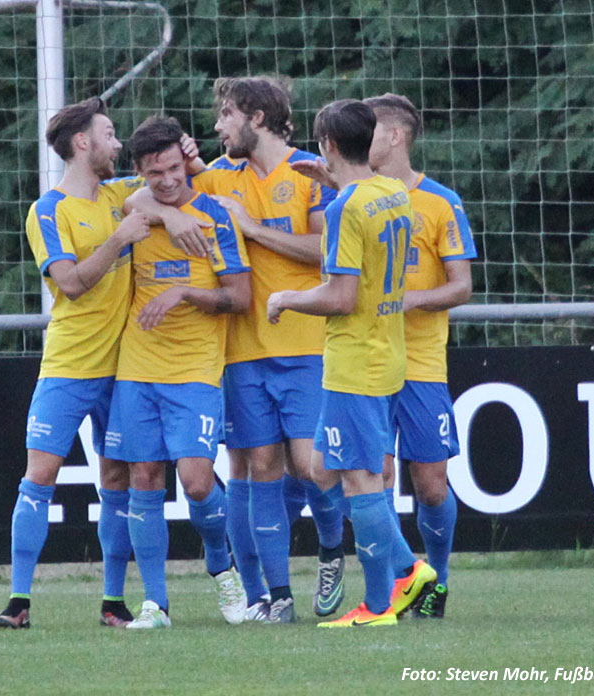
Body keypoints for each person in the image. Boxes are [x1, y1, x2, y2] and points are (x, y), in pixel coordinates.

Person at [129, 77, 344, 624]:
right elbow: (142, 191)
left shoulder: (306, 173)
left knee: (312, 465)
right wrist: (173, 214)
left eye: (226, 114)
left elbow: (325, 251)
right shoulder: (219, 175)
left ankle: (331, 551)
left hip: (304, 342)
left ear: (257, 118)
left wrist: (253, 229)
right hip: (242, 347)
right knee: (259, 465)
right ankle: (275, 596)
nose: (217, 125)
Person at [267, 98, 434, 627]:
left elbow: (340, 296)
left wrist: (285, 299)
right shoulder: (393, 193)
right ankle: (404, 573)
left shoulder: (345, 208)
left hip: (353, 359)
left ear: (329, 145)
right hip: (387, 352)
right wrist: (337, 180)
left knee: (360, 480)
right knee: (323, 468)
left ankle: (390, 592)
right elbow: (366, 211)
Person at [0, 97, 151, 629]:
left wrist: (193, 158)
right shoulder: (48, 210)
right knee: (40, 475)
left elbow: (172, 183)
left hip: (123, 369)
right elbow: (73, 284)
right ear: (83, 143)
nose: (118, 143)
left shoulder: (120, 194)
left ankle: (113, 602)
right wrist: (119, 239)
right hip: (68, 364)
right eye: (110, 133)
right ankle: (18, 602)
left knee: (116, 479)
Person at [106, 115, 252, 629]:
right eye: (153, 173)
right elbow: (119, 199)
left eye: (172, 168)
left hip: (195, 369)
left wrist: (185, 292)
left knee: (194, 482)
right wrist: (161, 215)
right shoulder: (133, 207)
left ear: (184, 160)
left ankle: (223, 567)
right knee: (144, 477)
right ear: (140, 172)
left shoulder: (214, 214)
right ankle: (155, 604)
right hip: (138, 366)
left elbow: (240, 297)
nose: (166, 181)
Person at [365, 93, 477, 618]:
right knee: (377, 476)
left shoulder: (439, 202)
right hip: (366, 361)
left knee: (430, 485)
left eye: (370, 128)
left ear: (394, 136)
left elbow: (461, 287)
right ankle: (397, 584)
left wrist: (406, 298)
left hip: (422, 366)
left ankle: (439, 580)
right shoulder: (356, 199)